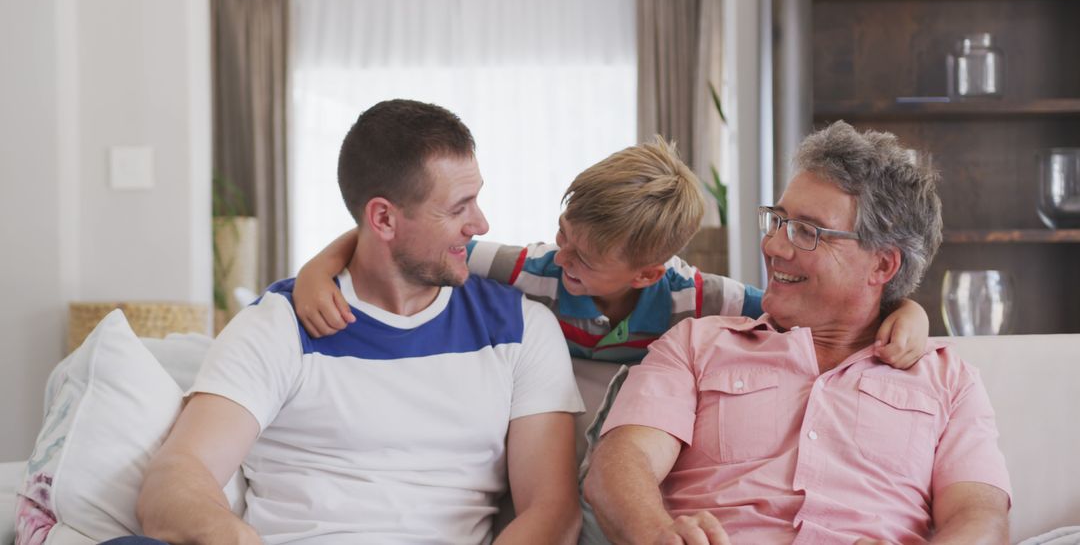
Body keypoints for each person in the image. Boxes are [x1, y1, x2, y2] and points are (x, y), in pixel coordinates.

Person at [134, 100, 586, 544]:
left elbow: (553, 510)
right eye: (458, 208)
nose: (481, 224)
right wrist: (227, 535)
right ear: (384, 218)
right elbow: (175, 476)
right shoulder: (282, 325)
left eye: (477, 200)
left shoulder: (520, 327)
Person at [582, 121, 1012, 544]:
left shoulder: (948, 381)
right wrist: (658, 535)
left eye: (807, 232)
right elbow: (622, 462)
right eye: (778, 221)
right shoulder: (695, 345)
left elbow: (979, 517)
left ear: (882, 265)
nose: (774, 246)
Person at [293, 137, 930, 370]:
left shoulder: (697, 297)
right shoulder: (534, 268)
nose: (562, 260)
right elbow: (424, 240)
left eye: (584, 258)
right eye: (562, 235)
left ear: (649, 273)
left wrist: (907, 315)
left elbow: (801, 308)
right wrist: (320, 268)